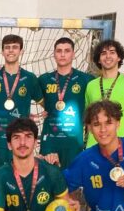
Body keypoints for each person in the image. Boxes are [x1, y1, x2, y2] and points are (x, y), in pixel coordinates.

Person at [0, 34, 43, 166]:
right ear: (2, 51)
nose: (11, 50)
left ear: (21, 51)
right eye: (7, 47)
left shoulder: (30, 78)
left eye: (15, 47)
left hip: (20, 140)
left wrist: (39, 115)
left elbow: (46, 103)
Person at [37, 37, 94, 168]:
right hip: (50, 141)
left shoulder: (86, 79)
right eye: (59, 51)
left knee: (72, 183)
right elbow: (23, 91)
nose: (62, 54)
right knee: (49, 182)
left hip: (74, 142)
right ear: (54, 54)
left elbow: (106, 83)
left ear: (73, 54)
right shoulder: (44, 79)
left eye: (67, 51)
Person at [84, 39, 124, 146]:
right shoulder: (91, 86)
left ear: (119, 57)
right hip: (93, 147)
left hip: (119, 146)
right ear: (98, 59)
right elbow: (88, 120)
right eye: (103, 53)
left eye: (112, 52)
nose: (108, 56)